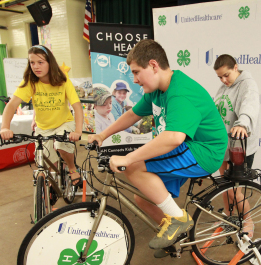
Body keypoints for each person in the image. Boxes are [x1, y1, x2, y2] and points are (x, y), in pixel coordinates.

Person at [88, 39, 227, 252]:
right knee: (142, 198)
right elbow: (133, 114)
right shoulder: (156, 90)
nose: (134, 80)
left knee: (133, 167)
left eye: (136, 72)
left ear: (153, 65)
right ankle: (176, 237)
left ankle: (179, 219)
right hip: (186, 147)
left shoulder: (180, 92)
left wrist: (129, 158)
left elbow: (173, 138)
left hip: (204, 151)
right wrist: (103, 134)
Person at [0, 45, 83, 186]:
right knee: (44, 161)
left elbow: (77, 106)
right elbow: (12, 105)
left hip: (64, 122)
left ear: (50, 63)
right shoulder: (30, 83)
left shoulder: (62, 81)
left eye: (40, 62)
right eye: (32, 62)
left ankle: (72, 168)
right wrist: (4, 127)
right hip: (43, 127)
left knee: (62, 145)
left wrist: (78, 131)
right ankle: (50, 186)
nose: (36, 66)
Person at [213, 54, 260, 236]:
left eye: (226, 75)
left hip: (239, 146)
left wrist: (242, 123)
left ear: (235, 67)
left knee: (235, 190)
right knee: (225, 185)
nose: (223, 80)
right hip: (223, 144)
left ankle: (248, 223)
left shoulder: (248, 85)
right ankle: (228, 216)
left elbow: (250, 106)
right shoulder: (224, 87)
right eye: (219, 77)